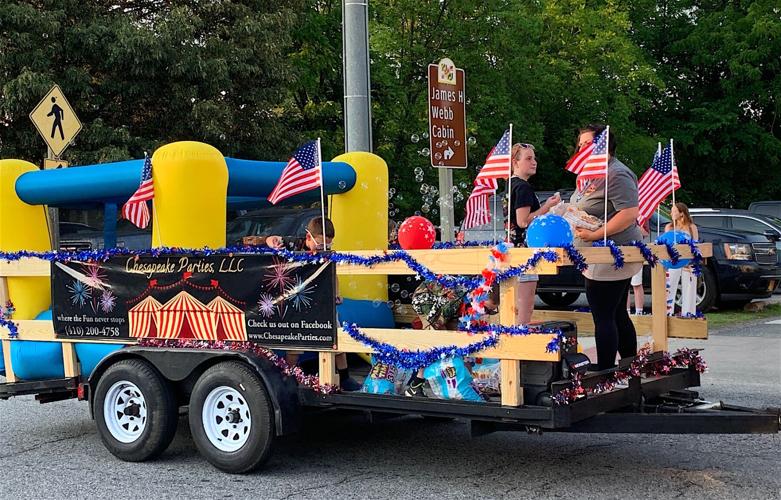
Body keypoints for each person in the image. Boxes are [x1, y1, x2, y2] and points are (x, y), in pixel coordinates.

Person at [243, 217, 361, 391]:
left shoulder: (328, 254)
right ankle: (289, 377)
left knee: (335, 336)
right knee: (295, 343)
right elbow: (270, 239)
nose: (324, 249)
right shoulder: (294, 245)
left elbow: (333, 274)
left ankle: (344, 377)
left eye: (328, 245)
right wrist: (271, 241)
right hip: (298, 302)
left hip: (323, 301)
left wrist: (337, 293)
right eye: (320, 245)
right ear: (308, 238)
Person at [571, 124, 643, 371]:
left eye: (587, 144)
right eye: (579, 145)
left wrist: (595, 233)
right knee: (616, 313)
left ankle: (605, 371)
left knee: (604, 315)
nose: (581, 149)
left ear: (604, 145)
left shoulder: (617, 173)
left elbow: (628, 213)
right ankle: (628, 368)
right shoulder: (590, 174)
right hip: (594, 254)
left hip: (613, 254)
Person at [507, 142, 560, 324]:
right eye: (528, 158)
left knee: (512, 305)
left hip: (509, 250)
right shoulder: (523, 187)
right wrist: (547, 206)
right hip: (524, 252)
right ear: (515, 162)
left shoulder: (510, 185)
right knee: (525, 306)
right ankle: (520, 345)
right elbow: (523, 221)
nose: (534, 162)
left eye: (534, 158)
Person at [665, 202, 699, 317]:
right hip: (673, 261)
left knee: (689, 288)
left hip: (688, 262)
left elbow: (695, 245)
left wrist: (691, 260)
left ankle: (689, 314)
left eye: (674, 211)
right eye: (671, 211)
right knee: (669, 287)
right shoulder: (669, 227)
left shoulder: (691, 227)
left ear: (682, 213)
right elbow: (665, 245)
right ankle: (667, 314)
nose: (671, 214)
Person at [627, 221, 650, 315]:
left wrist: (635, 227)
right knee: (624, 286)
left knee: (637, 283)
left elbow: (645, 233)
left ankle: (639, 311)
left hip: (637, 252)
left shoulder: (642, 217)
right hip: (623, 251)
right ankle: (626, 311)